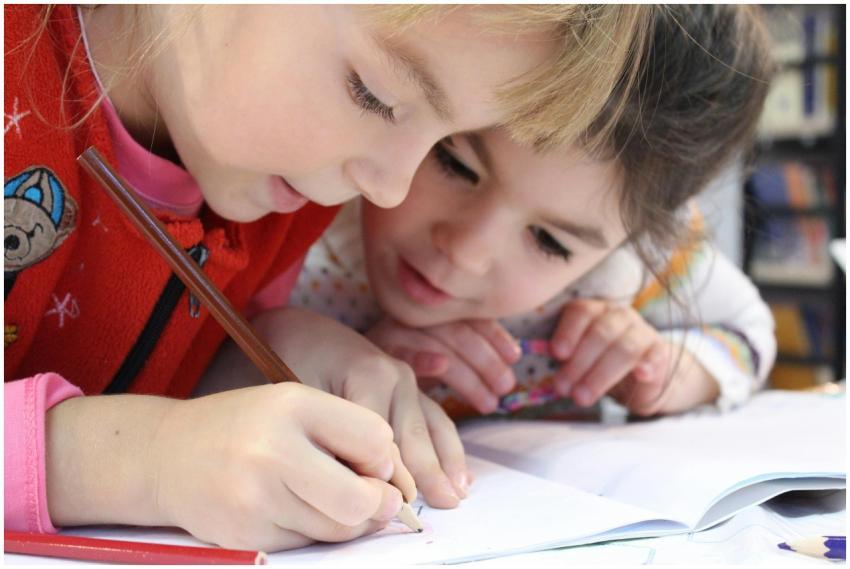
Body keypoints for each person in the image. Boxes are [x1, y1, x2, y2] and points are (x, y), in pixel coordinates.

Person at [4, 4, 653, 552]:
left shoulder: (284, 190)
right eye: (376, 95)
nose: (391, 188)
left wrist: (261, 355)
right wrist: (146, 461)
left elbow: (134, 374)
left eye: (443, 140)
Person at [289, 5, 777, 420]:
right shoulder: (302, 198)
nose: (466, 252)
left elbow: (749, 331)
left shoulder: (637, 267)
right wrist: (323, 358)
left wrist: (671, 370)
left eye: (550, 242)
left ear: (635, 240)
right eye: (455, 165)